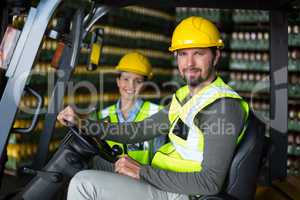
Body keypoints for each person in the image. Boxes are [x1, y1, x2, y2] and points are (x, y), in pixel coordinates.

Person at [63, 16, 249, 200]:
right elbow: (138, 130)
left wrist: (142, 172)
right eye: (183, 54)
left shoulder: (222, 106)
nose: (189, 63)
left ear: (216, 56)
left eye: (198, 53)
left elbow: (209, 183)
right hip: (165, 181)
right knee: (91, 163)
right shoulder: (186, 96)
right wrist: (84, 124)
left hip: (184, 194)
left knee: (83, 183)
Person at [57, 52, 166, 165]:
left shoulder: (157, 114)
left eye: (138, 81)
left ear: (144, 85)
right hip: (108, 178)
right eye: (126, 79)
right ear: (118, 81)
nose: (131, 86)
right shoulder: (101, 116)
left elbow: (159, 159)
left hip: (141, 179)